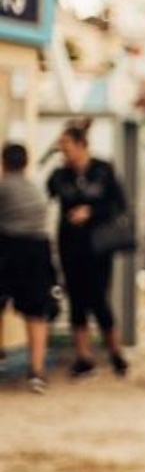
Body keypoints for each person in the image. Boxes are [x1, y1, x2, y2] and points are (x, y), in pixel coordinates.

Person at [45, 124, 130, 379]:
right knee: (77, 302)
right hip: (70, 246)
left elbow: (119, 205)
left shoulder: (103, 170)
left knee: (99, 300)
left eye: (67, 146)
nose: (64, 152)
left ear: (82, 145)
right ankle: (84, 358)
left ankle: (115, 352)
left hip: (98, 246)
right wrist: (48, 154)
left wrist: (91, 212)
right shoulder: (59, 174)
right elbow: (43, 193)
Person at [0, 143, 57, 393]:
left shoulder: (3, 188)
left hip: (9, 249)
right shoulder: (36, 188)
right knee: (36, 312)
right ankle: (37, 371)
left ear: (3, 163)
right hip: (38, 250)